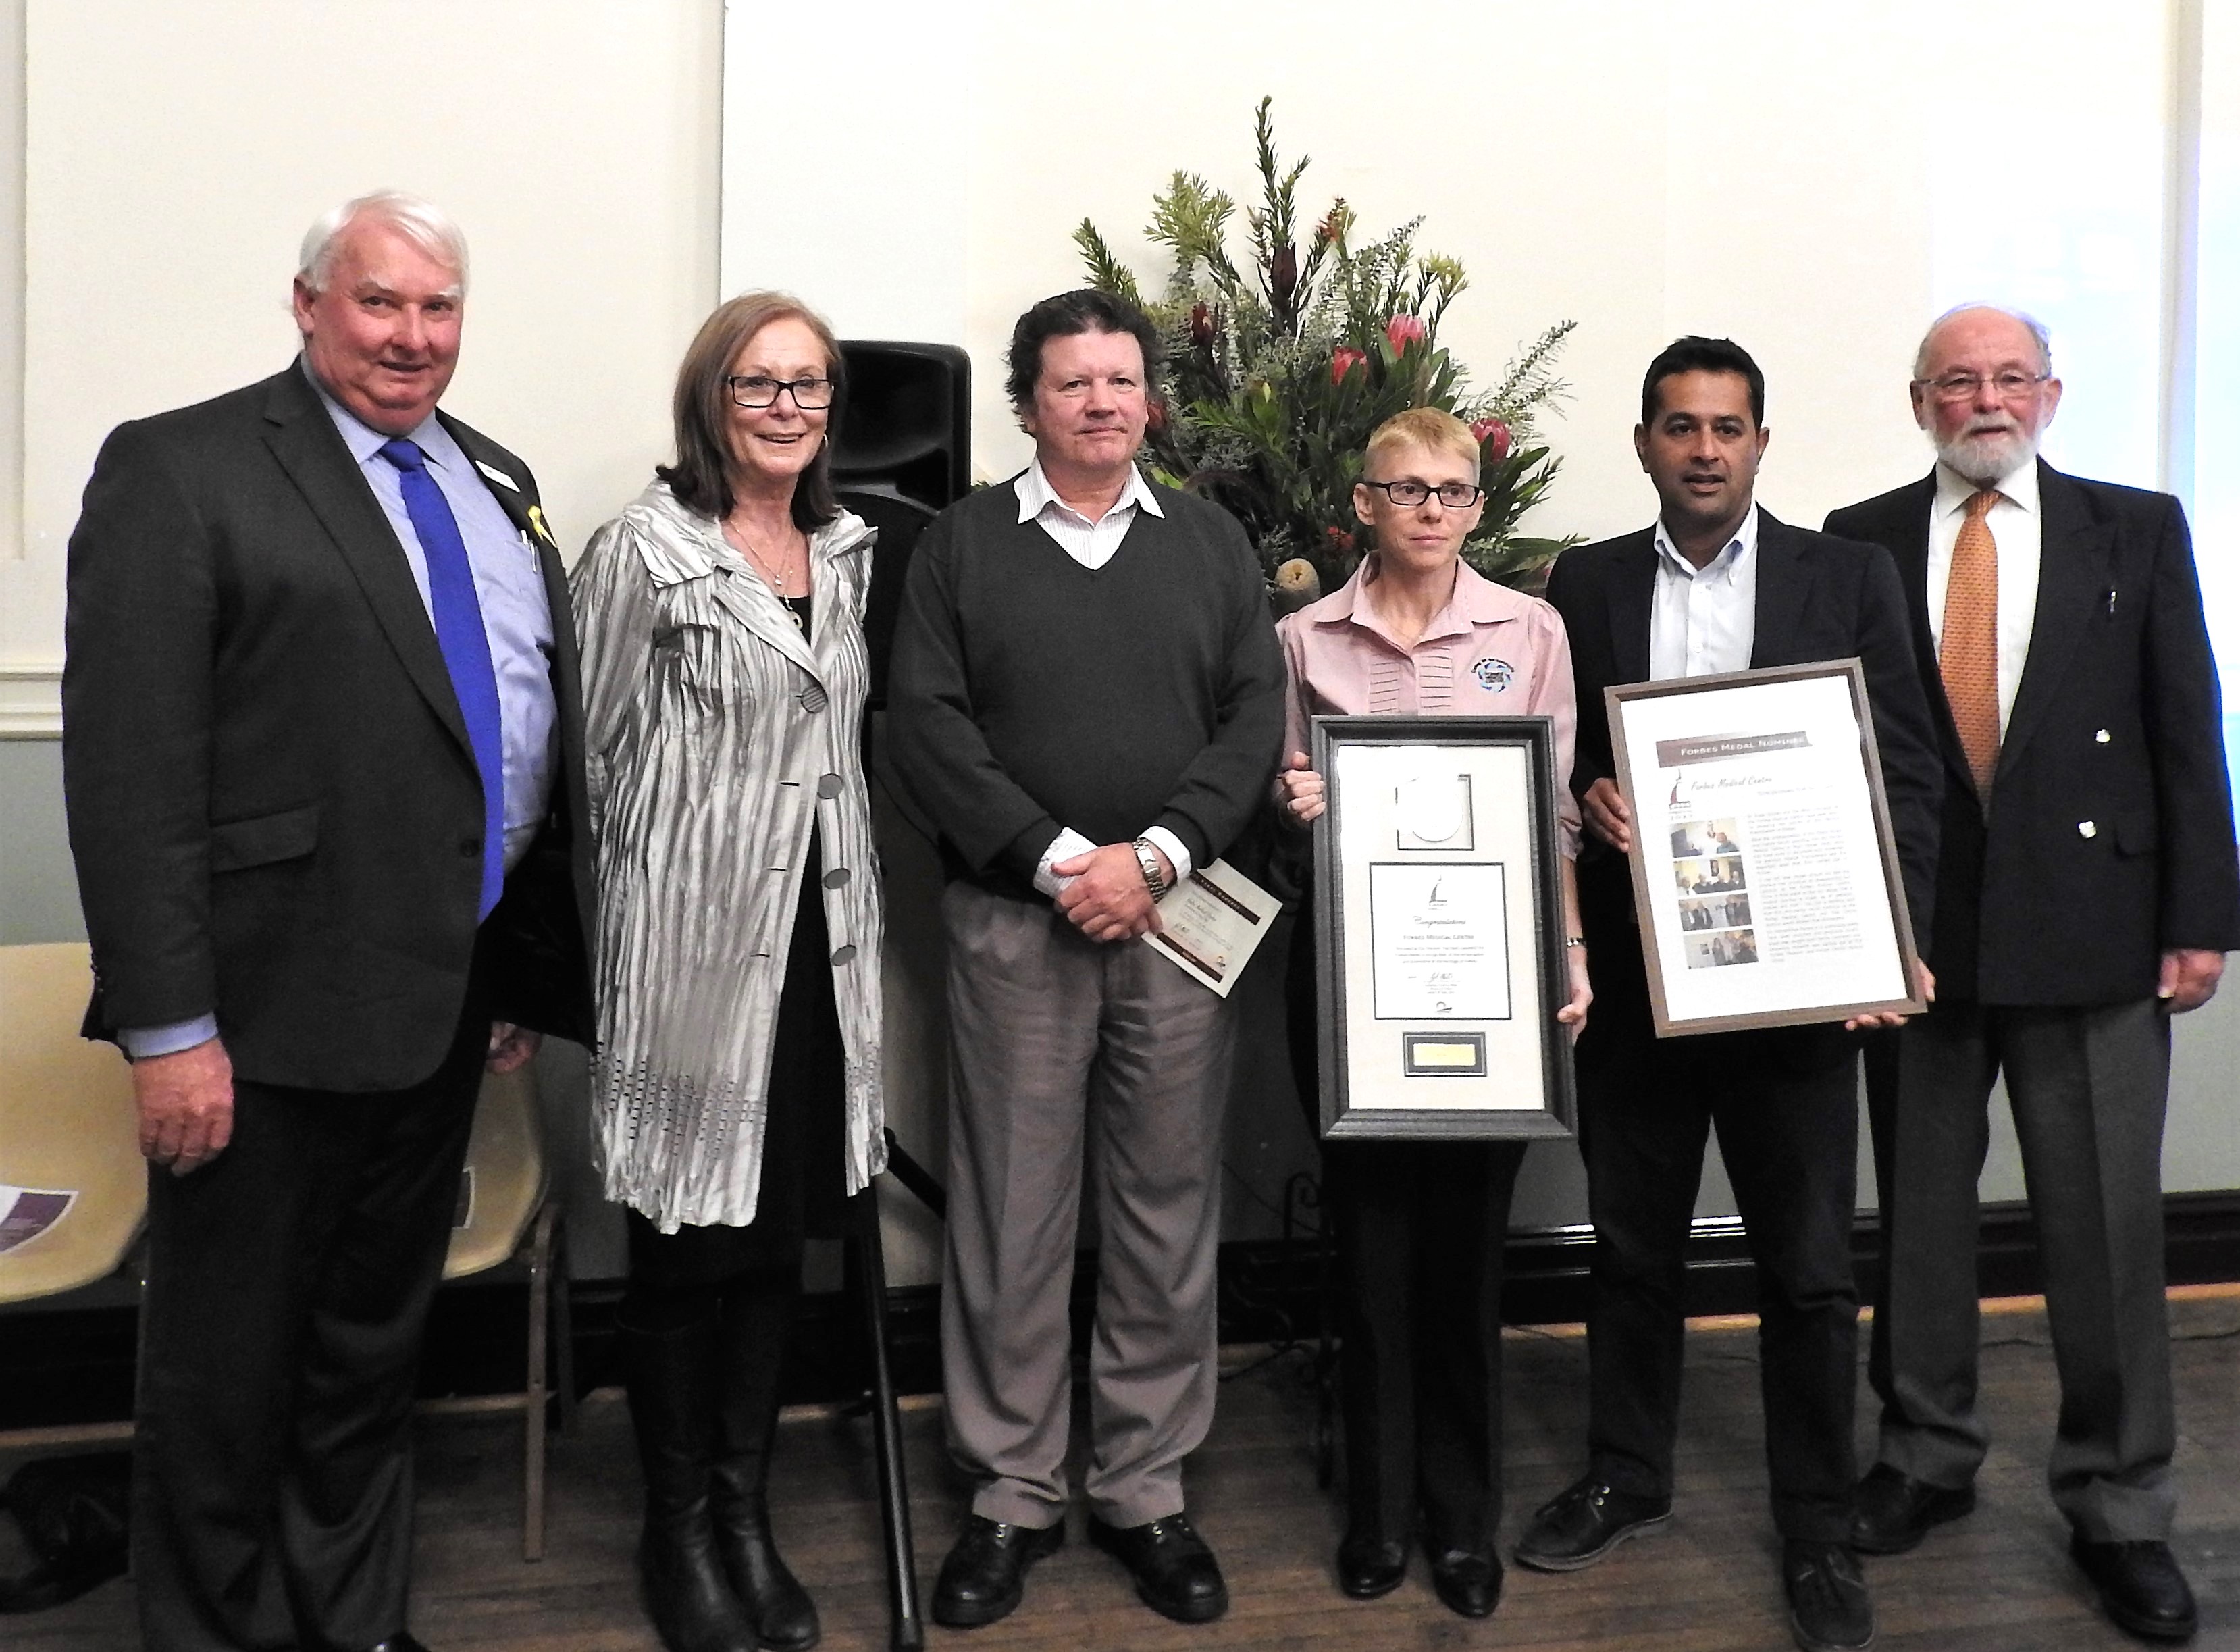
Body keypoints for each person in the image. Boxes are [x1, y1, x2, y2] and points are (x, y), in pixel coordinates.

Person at [60, 192, 593, 1652]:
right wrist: (171, 1031)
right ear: (307, 304)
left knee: (372, 1344)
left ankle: (348, 1617)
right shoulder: (182, 468)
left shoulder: (491, 473)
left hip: (444, 995)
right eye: (379, 301)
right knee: (226, 1364)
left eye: (438, 307)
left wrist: (513, 961)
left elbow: (514, 735)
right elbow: (131, 780)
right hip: (261, 1014)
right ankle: (214, 1630)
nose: (412, 336)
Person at [1827, 303, 2240, 1644]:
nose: (1986, 400)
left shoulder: (2139, 526)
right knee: (1921, 1222)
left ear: (2051, 396)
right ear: (1920, 403)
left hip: (2096, 927)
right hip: (1921, 937)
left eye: (2010, 378)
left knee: (2107, 1231)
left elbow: (2188, 724)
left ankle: (2120, 1504)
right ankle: (1924, 1454)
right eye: (1958, 381)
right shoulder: (1857, 537)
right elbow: (1835, 747)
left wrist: (2201, 917)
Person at [1519, 337, 1941, 1652]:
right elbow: (1557, 755)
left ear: (1762, 442)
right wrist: (1587, 795)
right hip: (1640, 983)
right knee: (1631, 1248)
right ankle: (1626, 1474)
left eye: (1727, 427)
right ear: (1643, 443)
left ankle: (1815, 1522)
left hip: (1800, 981)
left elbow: (1904, 770)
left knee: (1808, 1271)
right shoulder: (1583, 582)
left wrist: (1892, 941)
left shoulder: (1847, 575)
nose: (1704, 449)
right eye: (1680, 426)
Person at [887, 288, 1284, 1629]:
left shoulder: (1211, 542)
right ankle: (1011, 1489)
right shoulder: (960, 544)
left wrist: (1155, 857)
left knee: (1167, 1201)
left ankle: (1142, 1485)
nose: (1102, 402)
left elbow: (1253, 715)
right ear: (1027, 403)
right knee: (1012, 1205)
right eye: (1073, 382)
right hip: (1017, 921)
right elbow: (925, 722)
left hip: (1177, 917)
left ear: (1148, 400)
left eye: (1121, 380)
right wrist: (1061, 860)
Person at [569, 292, 883, 1652]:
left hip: (819, 950)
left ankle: (747, 1514)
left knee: (771, 1246)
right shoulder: (641, 553)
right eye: (759, 383)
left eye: (809, 385)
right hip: (687, 957)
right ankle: (678, 1524)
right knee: (683, 1249)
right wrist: (591, 972)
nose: (786, 408)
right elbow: (585, 773)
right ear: (710, 399)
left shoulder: (851, 550)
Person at [1270, 407, 1590, 1619]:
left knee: (1465, 1256)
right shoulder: (1303, 636)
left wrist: (1569, 949)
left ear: (1476, 505)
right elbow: (1277, 799)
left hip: (1493, 977)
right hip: (1352, 979)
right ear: (1363, 504)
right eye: (1405, 490)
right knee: (1368, 1253)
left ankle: (1461, 1520)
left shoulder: (1531, 629)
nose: (1429, 511)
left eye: (1451, 491)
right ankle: (1376, 1511)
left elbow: (1552, 812)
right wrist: (1294, 802)